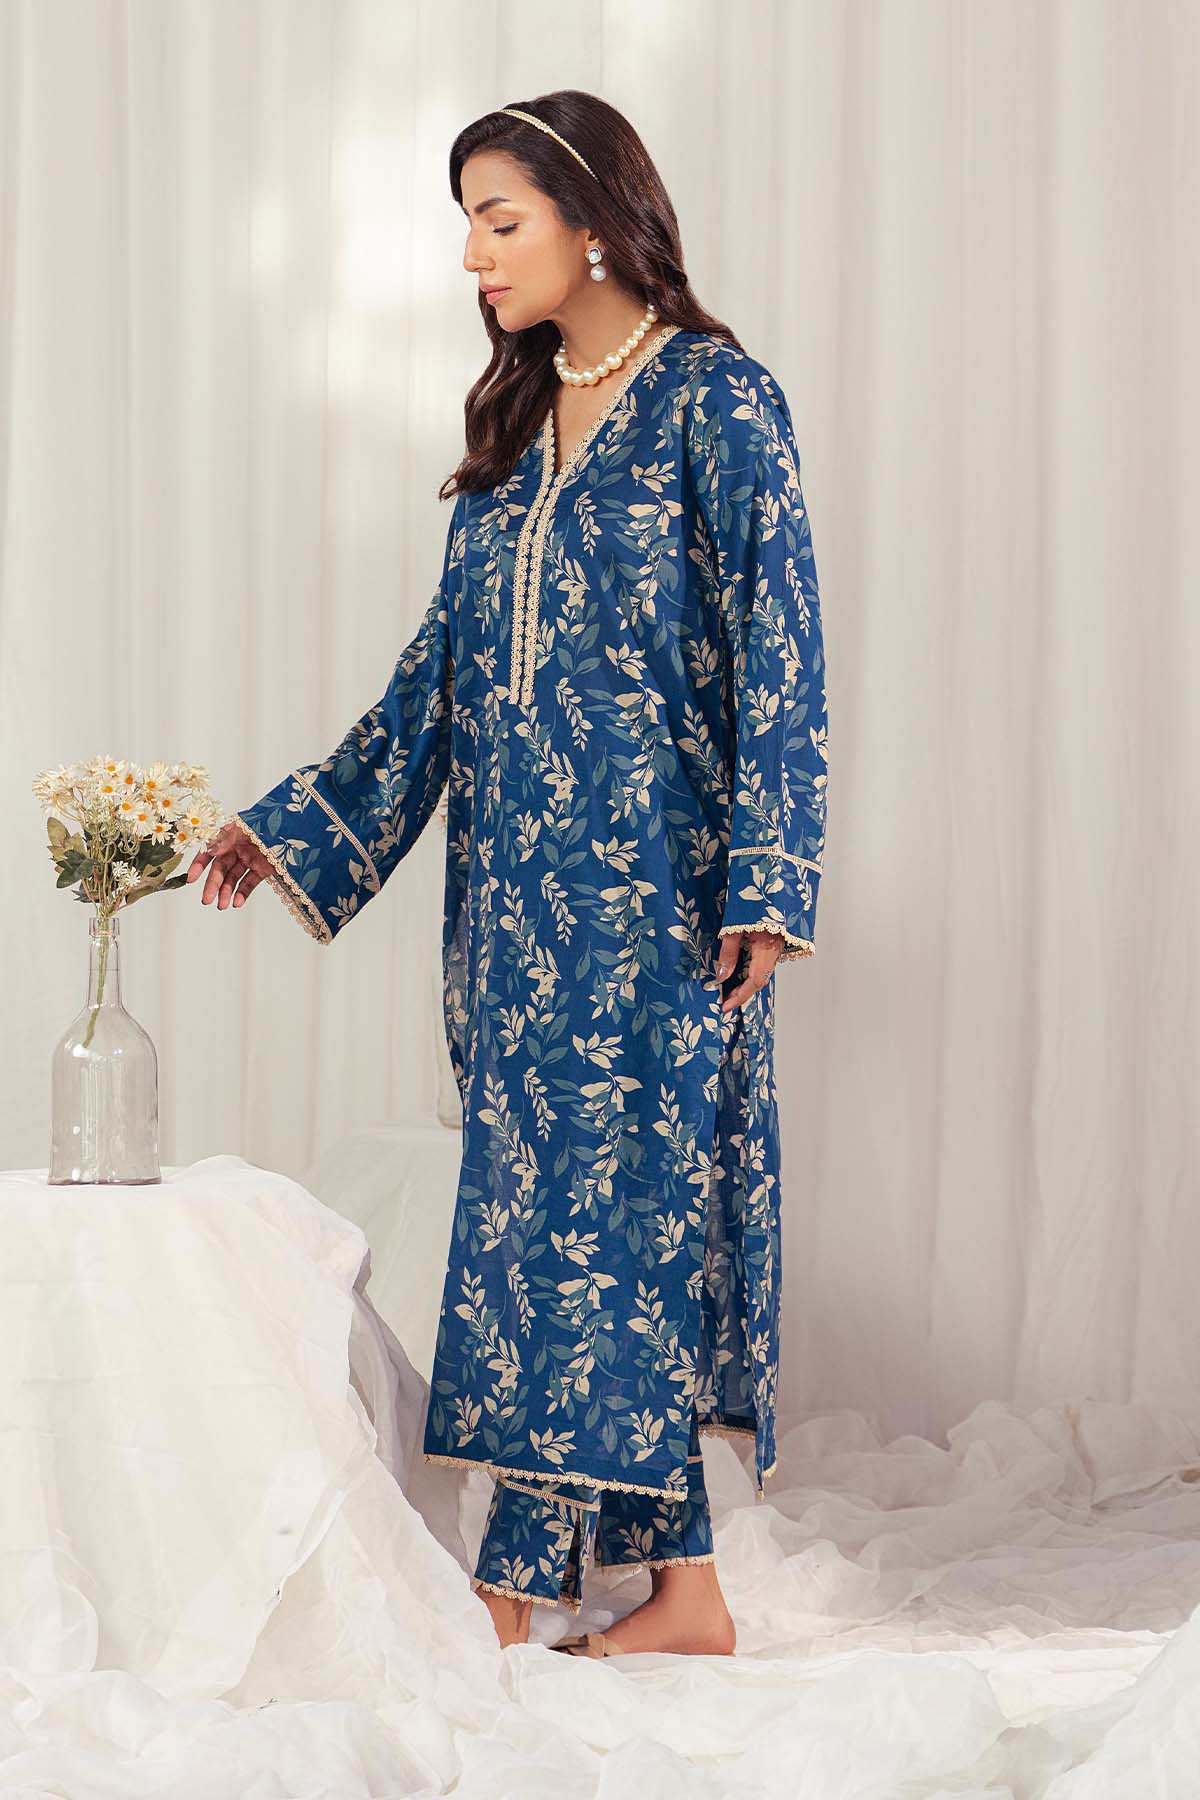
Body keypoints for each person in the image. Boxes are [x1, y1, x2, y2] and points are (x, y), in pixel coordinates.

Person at [186, 89, 828, 1659]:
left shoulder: (717, 402)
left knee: (606, 1228)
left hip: (661, 901)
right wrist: (291, 823)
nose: (473, 254)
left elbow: (784, 645)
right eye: (466, 222)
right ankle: (683, 1594)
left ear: (593, 221)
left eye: (500, 218)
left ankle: (519, 1579)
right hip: (519, 915)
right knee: (554, 1227)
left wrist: (770, 879)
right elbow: (439, 682)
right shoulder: (518, 432)